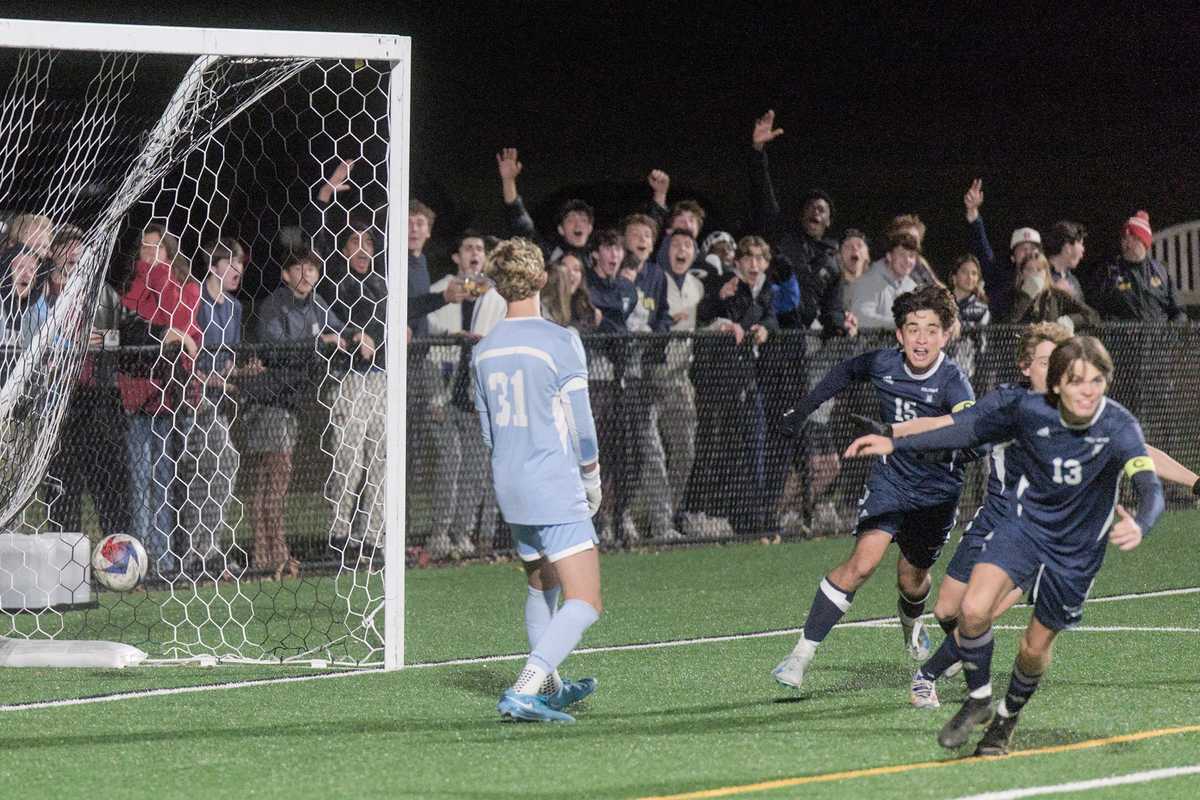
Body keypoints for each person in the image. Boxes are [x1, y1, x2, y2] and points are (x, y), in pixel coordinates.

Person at [845, 336, 1165, 755]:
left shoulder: (1118, 425)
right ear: (1056, 386)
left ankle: (1006, 718)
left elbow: (1150, 486)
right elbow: (963, 431)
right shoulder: (1028, 412)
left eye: (1097, 380)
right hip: (1024, 529)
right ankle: (978, 700)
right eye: (1076, 381)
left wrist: (1141, 524)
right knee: (972, 610)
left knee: (1033, 648)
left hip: (1076, 553)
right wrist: (894, 441)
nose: (1088, 390)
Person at [772, 285, 974, 690]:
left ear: (946, 336)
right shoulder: (883, 363)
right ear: (899, 335)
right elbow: (846, 371)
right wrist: (804, 408)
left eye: (932, 329)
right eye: (912, 328)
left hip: (937, 493)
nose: (921, 338)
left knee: (912, 579)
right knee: (863, 562)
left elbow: (970, 432)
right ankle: (799, 656)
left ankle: (912, 626)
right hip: (891, 481)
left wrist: (955, 443)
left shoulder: (955, 383)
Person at [473, 237, 602, 723]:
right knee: (585, 599)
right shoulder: (560, 340)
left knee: (541, 588)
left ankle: (550, 686)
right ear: (543, 279)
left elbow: (488, 433)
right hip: (553, 482)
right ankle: (526, 687)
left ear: (497, 286)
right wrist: (591, 477)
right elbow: (583, 429)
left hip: (510, 482)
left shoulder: (483, 350)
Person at [249, 248, 345, 579]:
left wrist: (354, 335)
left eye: (312, 269)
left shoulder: (318, 304)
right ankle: (274, 554)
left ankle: (266, 554)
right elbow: (275, 348)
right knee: (275, 478)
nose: (306, 275)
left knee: (271, 480)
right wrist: (318, 343)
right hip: (268, 402)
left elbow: (339, 333)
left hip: (292, 403)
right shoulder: (274, 305)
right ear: (286, 275)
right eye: (299, 269)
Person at [177, 237, 257, 579]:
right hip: (191, 399)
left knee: (220, 468)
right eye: (231, 262)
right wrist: (208, 379)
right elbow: (187, 351)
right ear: (213, 265)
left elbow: (227, 359)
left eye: (241, 263)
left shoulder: (235, 308)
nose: (238, 269)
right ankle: (197, 552)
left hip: (218, 401)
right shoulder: (195, 298)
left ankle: (207, 548)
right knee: (203, 471)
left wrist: (239, 371)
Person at [748, 110, 854, 337]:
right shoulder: (783, 238)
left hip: (802, 340)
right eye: (810, 207)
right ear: (800, 214)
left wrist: (838, 327)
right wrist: (758, 152)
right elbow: (763, 197)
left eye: (821, 210)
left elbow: (832, 308)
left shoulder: (831, 261)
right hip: (771, 333)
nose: (815, 212)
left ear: (828, 221)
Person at [962, 178, 1042, 321]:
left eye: (1033, 249)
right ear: (1012, 257)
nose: (1029, 253)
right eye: (1023, 249)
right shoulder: (1000, 278)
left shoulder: (1050, 281)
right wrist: (973, 213)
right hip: (1005, 341)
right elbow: (983, 249)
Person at [1087, 210, 1186, 323]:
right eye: (1124, 238)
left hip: (1158, 336)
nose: (1128, 244)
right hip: (1123, 337)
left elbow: (1178, 311)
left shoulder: (1160, 271)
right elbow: (1095, 308)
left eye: (1134, 239)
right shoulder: (1109, 271)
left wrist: (1172, 332)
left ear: (1144, 242)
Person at [1009, 252, 1099, 331]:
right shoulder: (1012, 295)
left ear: (1046, 273)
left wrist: (1069, 321)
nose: (1035, 274)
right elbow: (1007, 323)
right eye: (1029, 269)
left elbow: (1092, 315)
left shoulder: (1057, 295)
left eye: (1039, 270)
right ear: (1021, 273)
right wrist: (1026, 296)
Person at [849, 232, 920, 330]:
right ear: (889, 256)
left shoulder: (913, 287)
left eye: (911, 256)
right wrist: (900, 324)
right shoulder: (868, 281)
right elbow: (860, 319)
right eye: (902, 254)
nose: (907, 260)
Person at [1043, 220, 1087, 301]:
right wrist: (1054, 293)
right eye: (1080, 243)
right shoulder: (1039, 275)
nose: (1083, 249)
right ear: (1067, 248)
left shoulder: (1073, 281)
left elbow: (1083, 312)